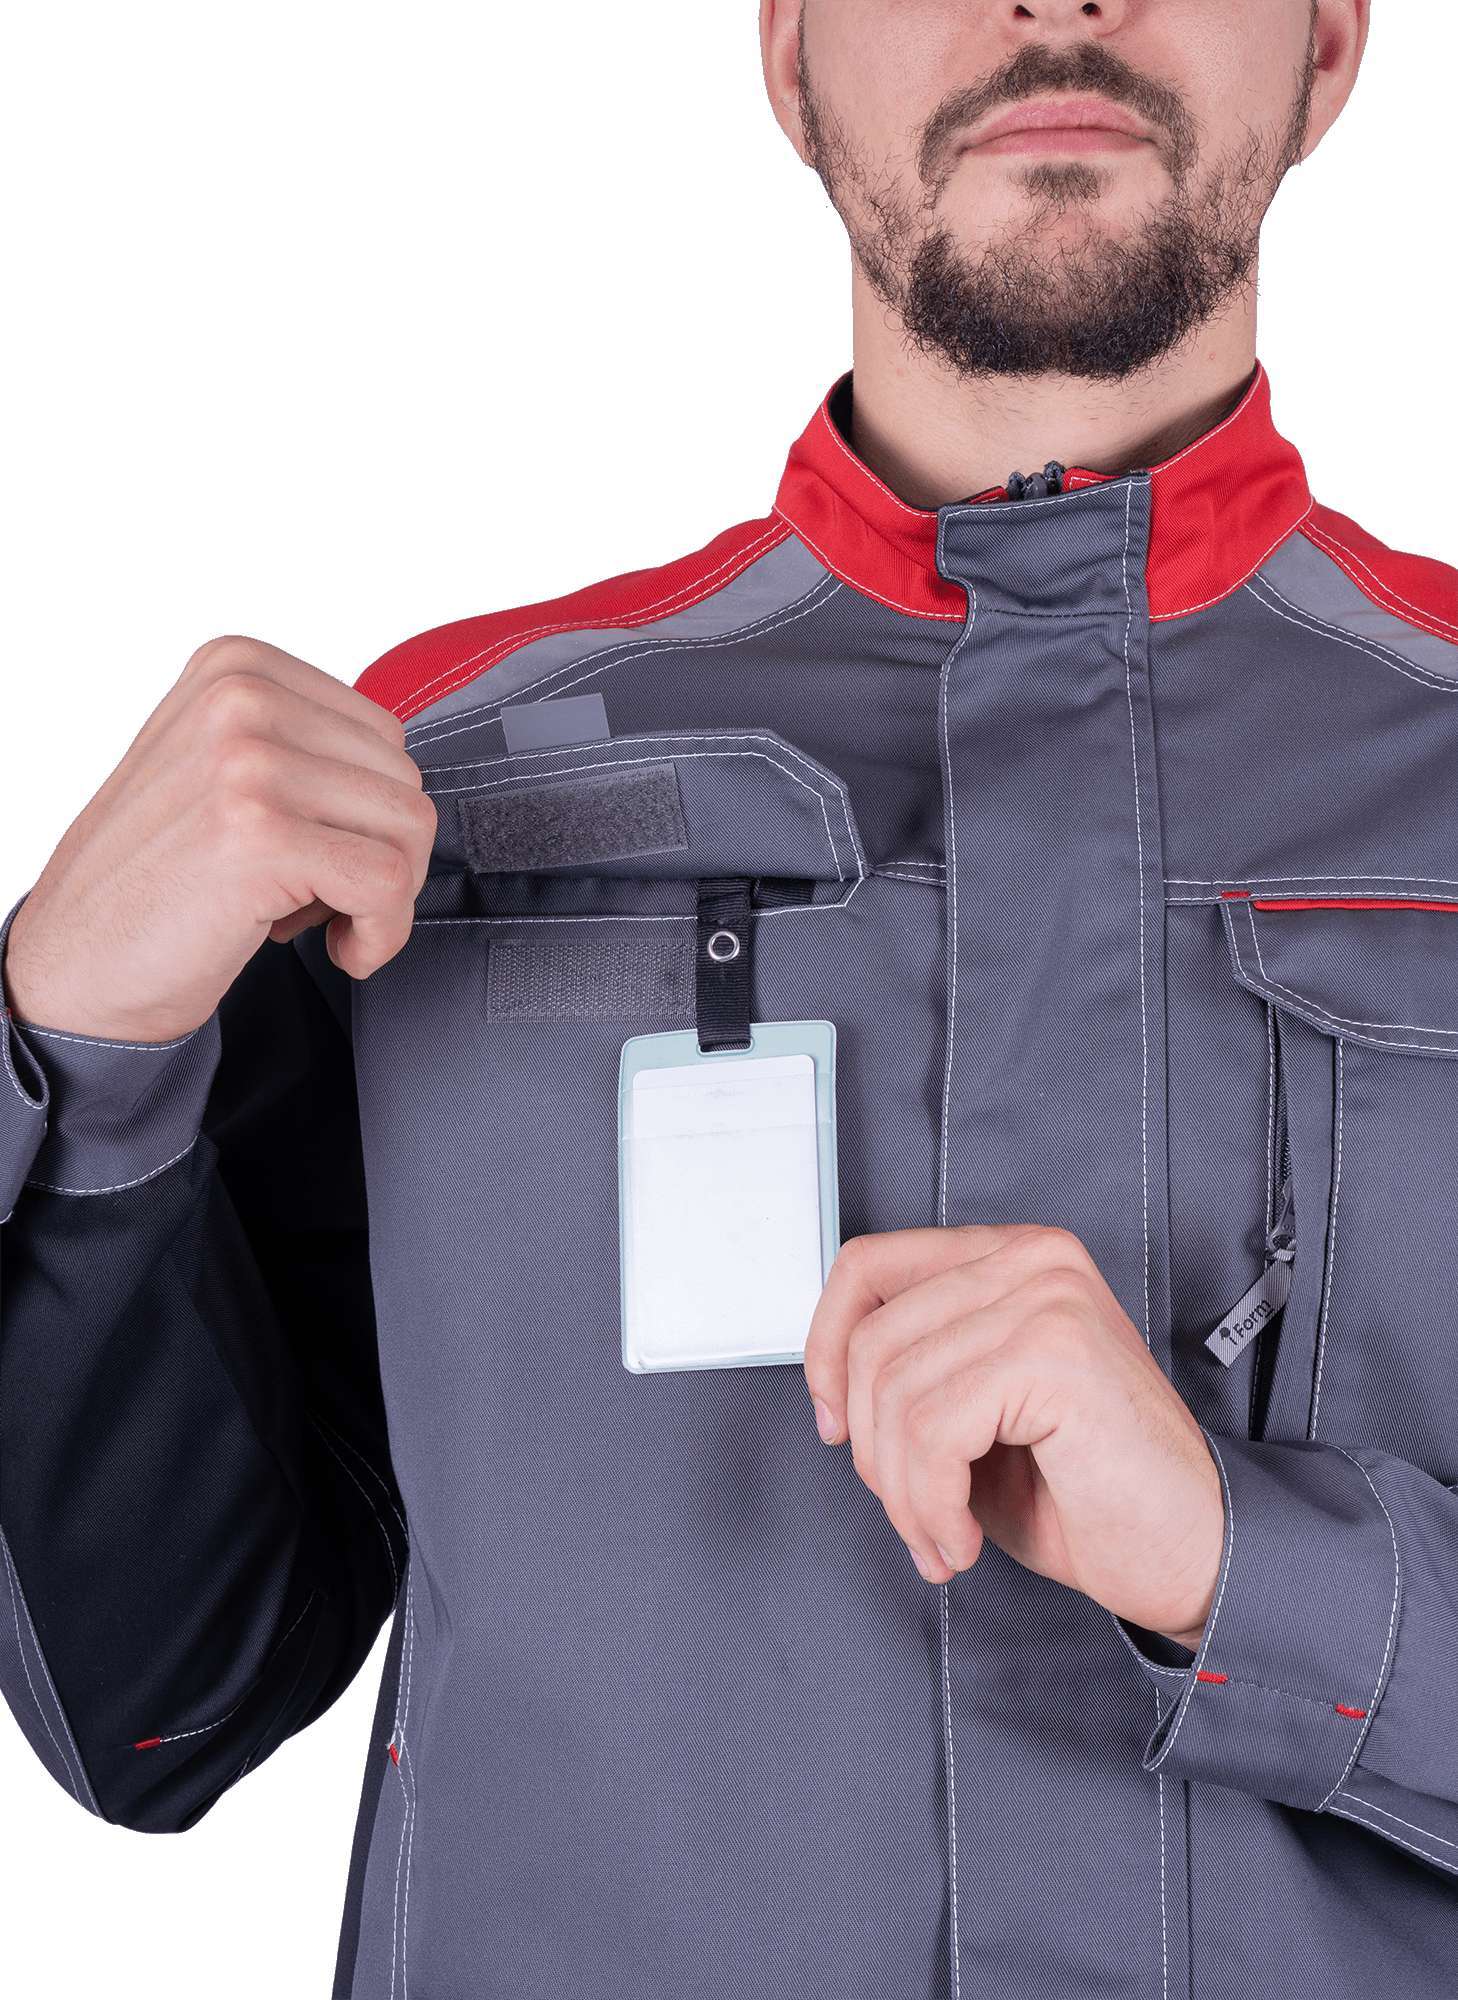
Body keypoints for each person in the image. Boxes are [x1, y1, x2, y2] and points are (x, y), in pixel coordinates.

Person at [2, 1, 1454, 1994]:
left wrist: (1242, 1563)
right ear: (788, 62)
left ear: (1331, 48)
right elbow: (159, 1704)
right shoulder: (433, 800)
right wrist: (74, 1065)